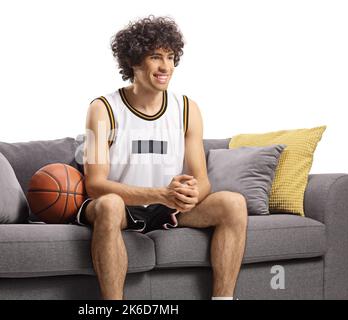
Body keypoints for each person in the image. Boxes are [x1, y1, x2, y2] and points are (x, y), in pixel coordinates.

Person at [75, 15, 248, 300]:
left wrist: (191, 194)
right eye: (156, 57)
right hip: (122, 208)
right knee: (108, 205)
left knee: (233, 203)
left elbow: (202, 180)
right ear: (134, 62)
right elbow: (94, 184)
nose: (165, 66)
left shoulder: (188, 108)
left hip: (168, 207)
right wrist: (159, 194)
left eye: (170, 57)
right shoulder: (102, 109)